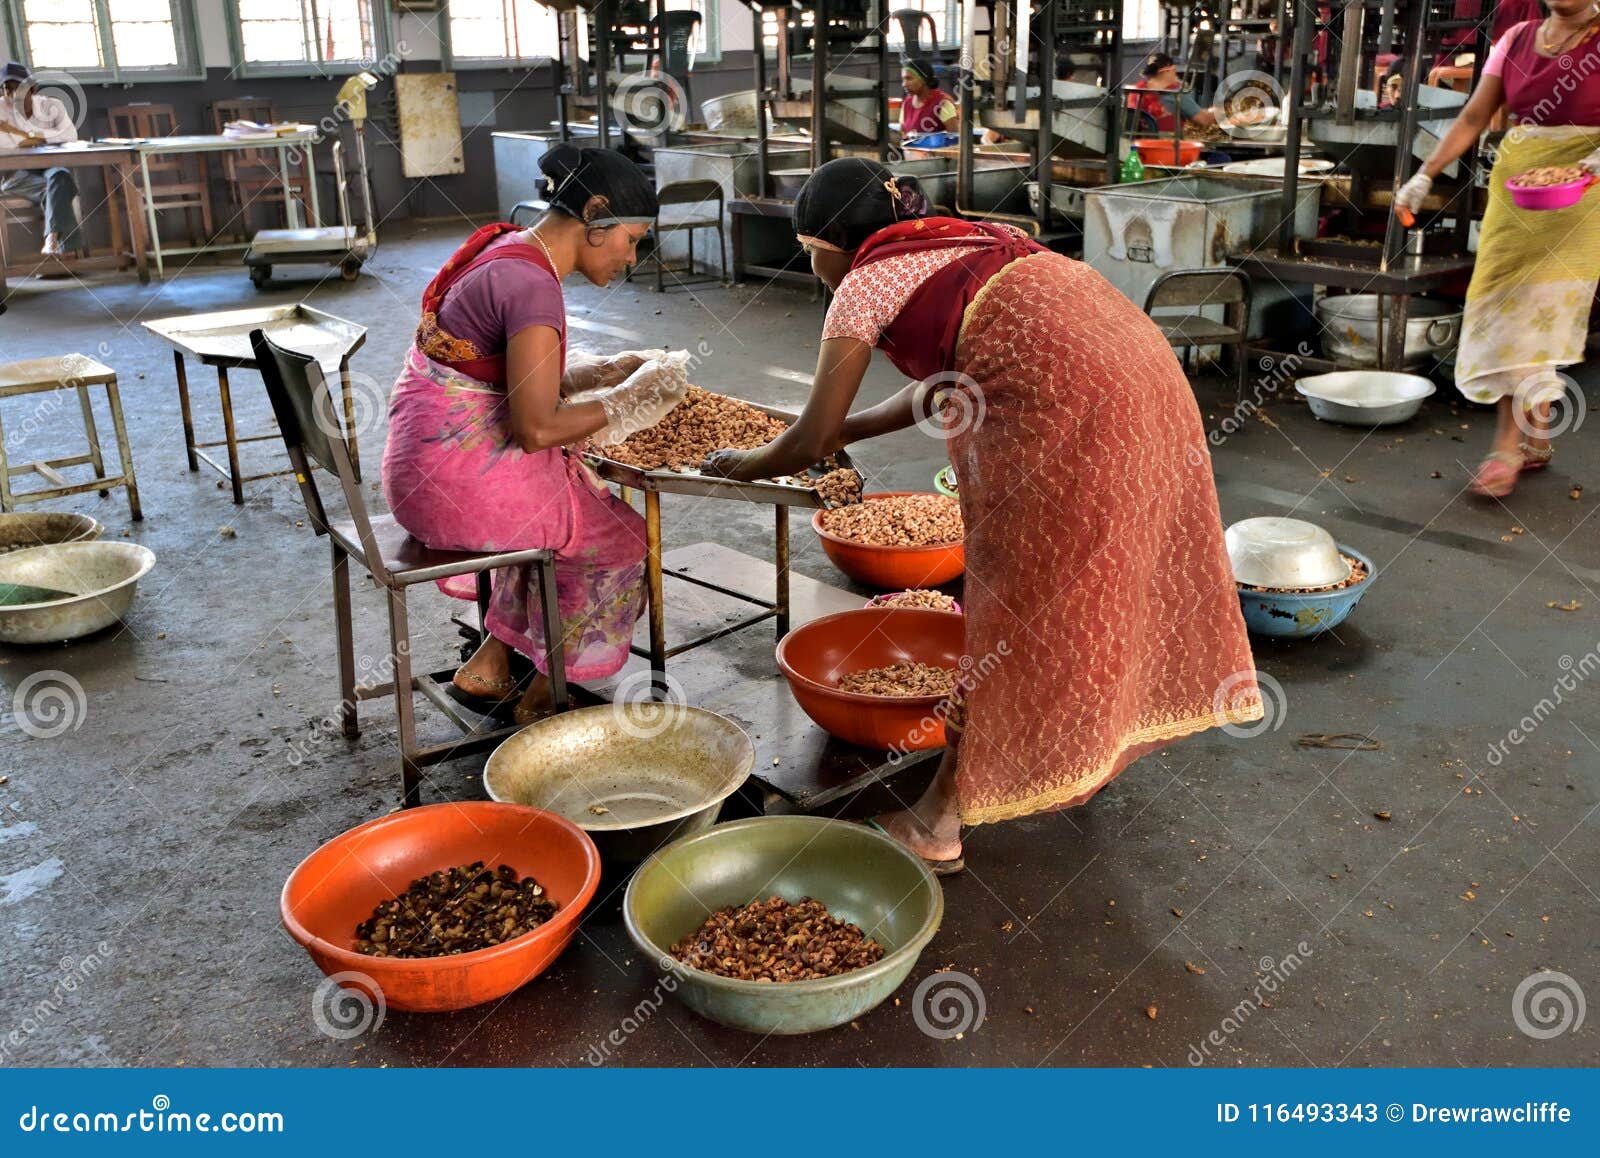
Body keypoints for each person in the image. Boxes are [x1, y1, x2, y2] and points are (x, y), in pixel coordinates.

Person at [702, 158, 1262, 872]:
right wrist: (844, 431)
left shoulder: (866, 278)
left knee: (1022, 601)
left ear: (834, 245)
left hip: (1078, 414)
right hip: (1151, 390)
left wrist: (739, 463)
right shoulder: (965, 241)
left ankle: (937, 823)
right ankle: (1080, 750)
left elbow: (807, 438)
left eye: (813, 256)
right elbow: (942, 387)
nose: (816, 271)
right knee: (1109, 581)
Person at [381, 145, 686, 724]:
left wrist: (599, 372)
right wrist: (629, 402)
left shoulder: (506, 247)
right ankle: (549, 695)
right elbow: (538, 426)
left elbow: (502, 376)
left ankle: (491, 664)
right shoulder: (532, 286)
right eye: (632, 238)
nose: (632, 256)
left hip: (420, 466)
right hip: (452, 486)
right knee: (617, 539)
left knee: (562, 514)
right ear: (595, 218)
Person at [1393, 0, 1600, 498]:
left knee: (1535, 312)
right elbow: (1473, 116)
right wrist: (1425, 174)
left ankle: (1507, 447)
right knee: (1502, 303)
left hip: (1585, 190)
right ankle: (1537, 437)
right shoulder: (1517, 39)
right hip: (1519, 185)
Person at [0, 61, 82, 256]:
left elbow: (70, 135)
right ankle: (67, 254)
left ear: (32, 88)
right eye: (6, 89)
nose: (12, 95)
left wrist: (26, 136)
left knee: (60, 176)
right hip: (15, 176)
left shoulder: (52, 105)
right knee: (61, 188)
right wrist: (45, 136)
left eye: (18, 88)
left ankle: (51, 241)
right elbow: (7, 145)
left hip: (49, 168)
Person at [1127, 52, 1217, 134]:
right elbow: (1204, 120)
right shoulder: (1175, 94)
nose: (1176, 75)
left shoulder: (1135, 92)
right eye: (1174, 71)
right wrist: (1218, 111)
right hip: (1168, 146)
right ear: (1168, 71)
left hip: (1136, 145)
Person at [900, 59, 958, 137]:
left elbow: (954, 140)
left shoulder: (942, 103)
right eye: (903, 79)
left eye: (909, 79)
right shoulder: (906, 103)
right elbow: (903, 135)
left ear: (923, 79)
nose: (904, 84)